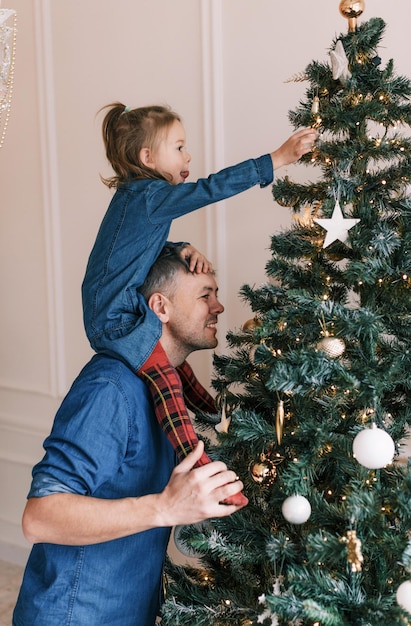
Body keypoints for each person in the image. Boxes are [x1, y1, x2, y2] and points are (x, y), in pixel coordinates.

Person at [81, 102, 318, 499]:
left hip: (113, 313)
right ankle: (209, 477)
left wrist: (181, 245)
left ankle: (213, 411)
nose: (187, 156)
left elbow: (128, 253)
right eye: (178, 148)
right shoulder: (151, 195)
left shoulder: (134, 200)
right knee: (166, 381)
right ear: (147, 157)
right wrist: (276, 159)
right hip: (116, 320)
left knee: (176, 368)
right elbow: (210, 188)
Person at [13, 245, 247, 626]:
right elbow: (39, 518)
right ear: (161, 307)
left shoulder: (166, 389)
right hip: (76, 615)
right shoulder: (110, 387)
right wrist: (165, 507)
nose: (218, 307)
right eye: (205, 295)